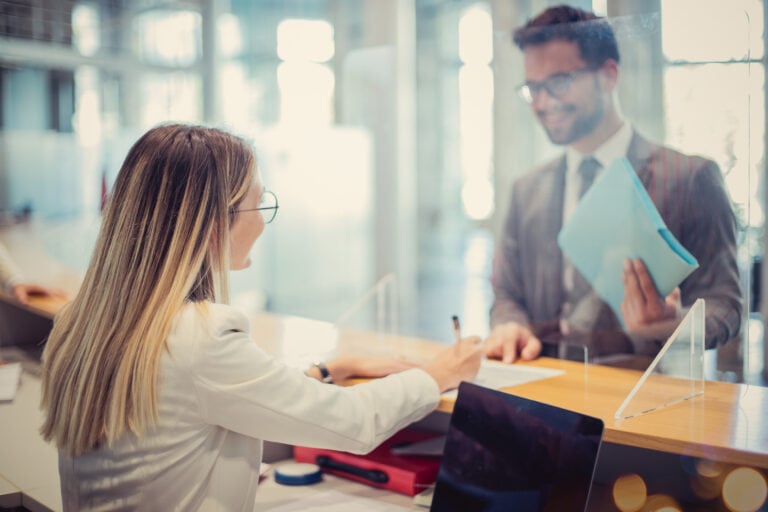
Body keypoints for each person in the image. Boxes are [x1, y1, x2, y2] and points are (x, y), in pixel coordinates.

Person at [39, 124, 483, 511]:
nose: (263, 224)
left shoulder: (84, 322)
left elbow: (194, 399)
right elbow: (352, 421)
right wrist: (437, 373)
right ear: (213, 222)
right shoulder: (202, 336)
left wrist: (332, 369)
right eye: (259, 205)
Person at [485, 5, 742, 364]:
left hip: (643, 399)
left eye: (558, 83)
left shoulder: (690, 178)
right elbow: (507, 294)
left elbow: (727, 308)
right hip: (544, 392)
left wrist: (675, 323)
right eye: (533, 88)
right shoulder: (526, 190)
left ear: (607, 76)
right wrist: (509, 325)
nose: (543, 103)